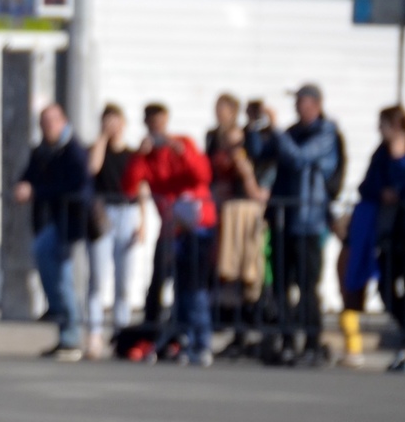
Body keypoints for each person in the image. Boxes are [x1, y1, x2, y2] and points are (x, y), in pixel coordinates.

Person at [346, 107, 405, 374]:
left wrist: (399, 193)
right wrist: (381, 192)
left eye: (383, 125)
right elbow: (366, 185)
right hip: (389, 229)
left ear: (396, 125)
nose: (380, 130)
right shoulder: (380, 154)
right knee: (386, 286)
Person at [123, 103, 216, 365]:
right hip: (171, 228)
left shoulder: (183, 143)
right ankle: (176, 339)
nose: (159, 131)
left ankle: (201, 341)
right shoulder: (148, 155)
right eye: (153, 125)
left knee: (194, 288)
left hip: (196, 225)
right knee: (166, 284)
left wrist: (181, 152)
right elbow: (129, 188)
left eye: (161, 124)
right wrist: (140, 156)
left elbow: (202, 175)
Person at [15, 103, 92, 360]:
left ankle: (71, 336)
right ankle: (63, 329)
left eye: (51, 122)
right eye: (43, 123)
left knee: (63, 278)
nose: (47, 127)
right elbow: (30, 175)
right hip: (51, 222)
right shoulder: (42, 151)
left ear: (63, 121)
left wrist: (37, 191)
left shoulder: (74, 151)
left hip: (70, 223)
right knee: (51, 267)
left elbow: (75, 184)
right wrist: (25, 184)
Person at [273, 84, 342, 366]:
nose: (297, 107)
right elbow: (265, 154)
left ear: (315, 104)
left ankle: (313, 342)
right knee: (280, 284)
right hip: (285, 218)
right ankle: (287, 340)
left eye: (302, 101)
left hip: (309, 219)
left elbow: (300, 157)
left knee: (307, 284)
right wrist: (256, 129)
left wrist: (276, 132)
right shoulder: (291, 132)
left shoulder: (326, 132)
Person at [205, 94, 267, 360]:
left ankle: (248, 330)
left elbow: (254, 186)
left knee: (247, 270)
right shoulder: (212, 139)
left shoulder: (248, 143)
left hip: (243, 211)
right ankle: (234, 331)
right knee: (227, 273)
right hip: (225, 212)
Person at [86, 105, 145, 347]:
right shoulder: (97, 150)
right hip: (104, 213)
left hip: (128, 211)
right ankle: (94, 332)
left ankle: (121, 333)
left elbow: (141, 188)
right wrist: (102, 137)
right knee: (98, 277)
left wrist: (143, 223)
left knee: (124, 279)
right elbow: (93, 168)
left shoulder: (132, 155)